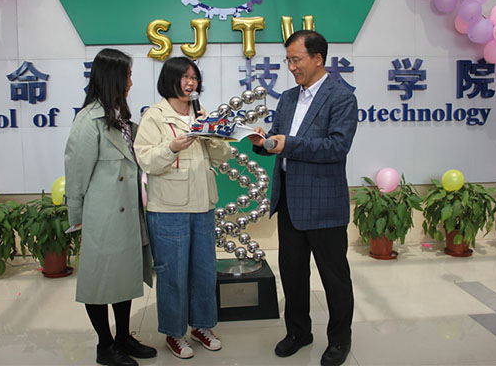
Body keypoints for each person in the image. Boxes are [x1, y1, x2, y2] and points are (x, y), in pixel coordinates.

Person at [249, 30, 358, 366]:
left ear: (318, 58)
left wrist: (289, 144)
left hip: (324, 206)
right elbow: (278, 143)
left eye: (296, 59)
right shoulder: (287, 98)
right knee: (293, 276)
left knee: (334, 279)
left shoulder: (341, 98)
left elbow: (337, 147)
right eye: (288, 61)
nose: (291, 67)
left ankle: (339, 340)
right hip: (289, 203)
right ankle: (298, 333)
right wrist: (262, 143)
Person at [133, 57, 231, 359]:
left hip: (203, 206)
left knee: (204, 271)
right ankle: (174, 332)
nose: (191, 83)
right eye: (185, 77)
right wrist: (171, 147)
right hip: (168, 209)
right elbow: (145, 160)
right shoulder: (155, 116)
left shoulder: (202, 114)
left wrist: (212, 133)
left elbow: (223, 156)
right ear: (170, 80)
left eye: (194, 77)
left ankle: (201, 326)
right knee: (173, 274)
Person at [64, 49, 156, 366]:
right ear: (112, 77)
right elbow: (76, 173)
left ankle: (123, 337)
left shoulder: (121, 117)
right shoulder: (88, 120)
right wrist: (77, 217)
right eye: (127, 75)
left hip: (128, 213)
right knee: (99, 281)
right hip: (103, 216)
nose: (131, 82)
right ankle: (105, 346)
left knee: (123, 277)